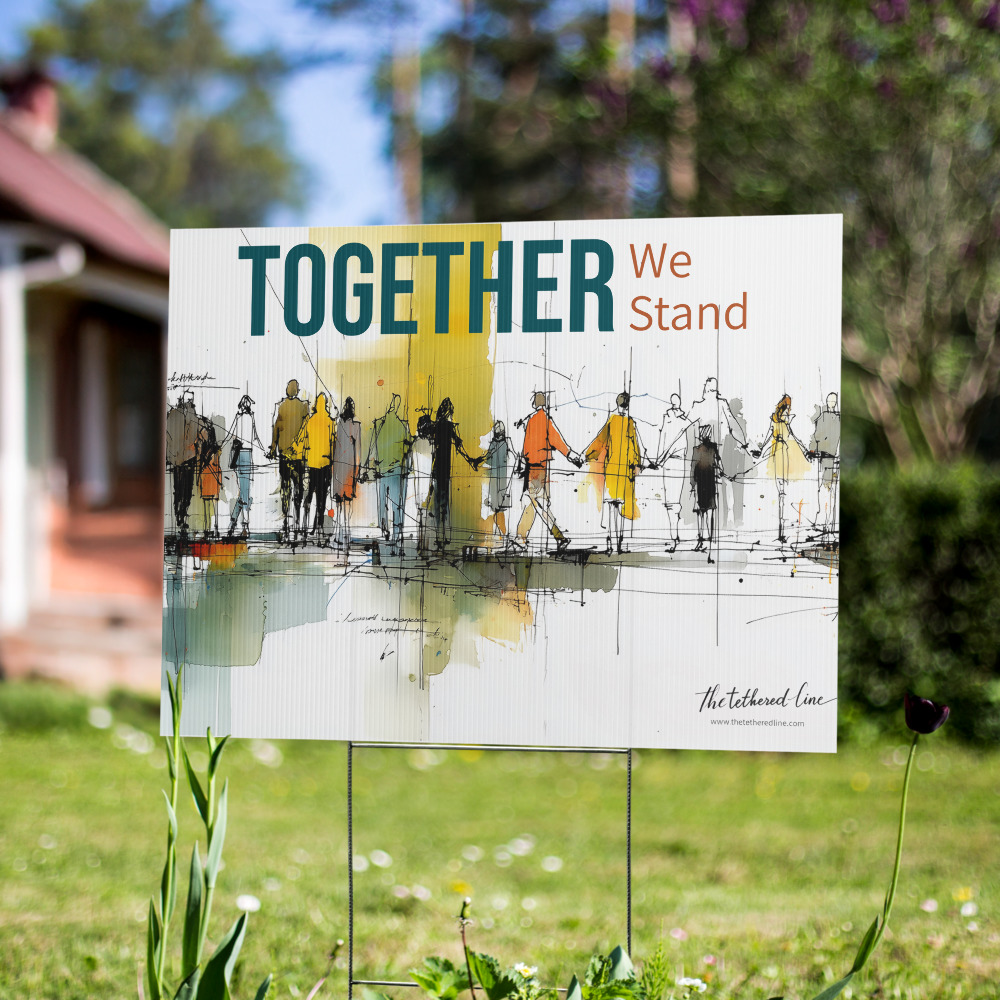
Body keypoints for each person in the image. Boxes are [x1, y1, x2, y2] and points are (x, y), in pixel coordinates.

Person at [513, 391, 582, 552]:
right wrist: (571, 455)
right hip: (542, 467)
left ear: (534, 404)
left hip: (533, 468)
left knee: (537, 502)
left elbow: (525, 449)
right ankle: (522, 537)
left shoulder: (532, 420)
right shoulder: (546, 420)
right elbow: (557, 440)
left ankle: (530, 537)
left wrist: (524, 463)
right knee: (534, 502)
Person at [585, 391, 646, 555]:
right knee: (615, 505)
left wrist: (637, 464)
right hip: (618, 469)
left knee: (618, 506)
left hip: (620, 469)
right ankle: (614, 543)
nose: (624, 409)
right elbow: (602, 440)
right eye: (623, 406)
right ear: (619, 405)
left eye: (625, 407)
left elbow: (633, 445)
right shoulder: (618, 421)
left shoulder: (625, 422)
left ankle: (615, 543)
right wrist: (637, 464)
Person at [755, 394, 811, 544]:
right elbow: (767, 437)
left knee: (783, 492)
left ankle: (782, 528)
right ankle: (780, 528)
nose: (788, 414)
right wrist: (760, 450)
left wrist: (805, 450)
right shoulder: (775, 423)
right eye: (786, 411)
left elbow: (796, 437)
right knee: (780, 491)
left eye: (788, 412)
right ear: (782, 410)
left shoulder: (787, 424)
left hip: (786, 453)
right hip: (777, 452)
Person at [427, 397, 479, 550]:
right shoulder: (449, 427)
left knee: (437, 504)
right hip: (446, 470)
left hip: (436, 469)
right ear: (449, 412)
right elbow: (459, 446)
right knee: (444, 504)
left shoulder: (435, 426)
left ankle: (439, 536)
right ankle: (446, 536)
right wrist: (471, 460)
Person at [365, 393, 411, 554]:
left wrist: (371, 466)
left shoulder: (379, 424)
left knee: (382, 502)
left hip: (382, 470)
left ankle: (384, 530)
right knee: (397, 505)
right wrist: (408, 468)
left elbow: (372, 448)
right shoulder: (403, 426)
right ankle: (397, 535)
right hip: (398, 470)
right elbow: (408, 450)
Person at [267, 379, 310, 539]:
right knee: (298, 487)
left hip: (284, 454)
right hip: (298, 456)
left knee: (285, 487)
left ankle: (286, 519)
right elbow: (306, 431)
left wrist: (273, 447)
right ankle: (297, 519)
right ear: (297, 390)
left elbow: (276, 427)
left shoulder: (281, 406)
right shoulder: (304, 407)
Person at [654, 393, 689, 552]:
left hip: (670, 462)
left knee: (671, 502)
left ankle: (674, 536)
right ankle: (674, 536)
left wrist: (658, 460)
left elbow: (663, 440)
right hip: (678, 462)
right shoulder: (685, 421)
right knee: (674, 502)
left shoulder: (670, 419)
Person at [227, 394, 265, 537]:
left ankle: (233, 523)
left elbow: (232, 435)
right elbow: (255, 437)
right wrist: (264, 451)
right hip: (246, 455)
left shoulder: (240, 417)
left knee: (243, 492)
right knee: (245, 493)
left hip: (240, 455)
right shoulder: (248, 417)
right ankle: (244, 526)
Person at [165, 390, 203, 534]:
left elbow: (167, 437)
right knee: (186, 491)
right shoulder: (191, 416)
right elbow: (195, 436)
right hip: (187, 459)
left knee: (178, 490)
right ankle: (182, 517)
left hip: (177, 460)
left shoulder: (172, 415)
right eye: (191, 401)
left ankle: (179, 517)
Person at [299, 392, 336, 538]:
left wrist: (304, 459)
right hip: (325, 464)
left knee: (309, 498)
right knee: (321, 499)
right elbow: (333, 443)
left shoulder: (310, 421)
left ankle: (306, 527)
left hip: (312, 464)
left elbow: (304, 442)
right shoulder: (330, 421)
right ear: (326, 404)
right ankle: (318, 527)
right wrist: (332, 459)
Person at [808, 391, 841, 540]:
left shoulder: (838, 418)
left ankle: (828, 523)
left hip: (831, 457)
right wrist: (813, 450)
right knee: (823, 488)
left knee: (829, 488)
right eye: (829, 401)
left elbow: (834, 437)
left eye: (833, 401)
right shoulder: (823, 417)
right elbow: (817, 434)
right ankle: (824, 520)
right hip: (823, 456)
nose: (831, 403)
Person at [331, 397, 362, 550]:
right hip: (350, 466)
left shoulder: (339, 425)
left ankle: (338, 533)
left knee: (338, 502)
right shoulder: (356, 426)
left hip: (338, 466)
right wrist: (358, 469)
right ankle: (346, 533)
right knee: (348, 501)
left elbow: (335, 446)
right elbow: (358, 451)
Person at [690, 423, 723, 562]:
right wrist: (692, 482)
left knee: (708, 509)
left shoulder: (713, 447)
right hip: (702, 481)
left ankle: (708, 537)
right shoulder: (697, 449)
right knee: (702, 510)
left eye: (706, 433)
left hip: (709, 480)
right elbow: (693, 466)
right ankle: (702, 537)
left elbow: (718, 461)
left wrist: (721, 470)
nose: (705, 436)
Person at [480, 420, 513, 542]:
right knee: (499, 508)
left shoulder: (494, 445)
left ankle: (500, 534)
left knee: (495, 508)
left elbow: (487, 461)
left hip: (495, 481)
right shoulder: (505, 444)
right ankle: (501, 534)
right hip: (502, 481)